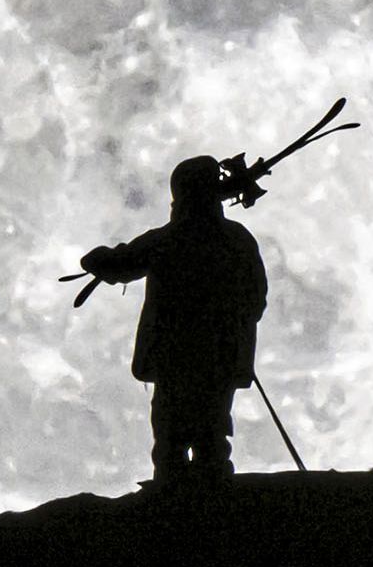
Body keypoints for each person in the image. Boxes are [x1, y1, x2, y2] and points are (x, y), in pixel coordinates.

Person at [81, 155, 268, 491]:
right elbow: (256, 299)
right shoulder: (236, 238)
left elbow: (120, 263)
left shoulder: (167, 239)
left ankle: (173, 495)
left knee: (172, 429)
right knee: (210, 427)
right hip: (218, 355)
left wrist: (97, 260)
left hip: (175, 355)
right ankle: (209, 489)